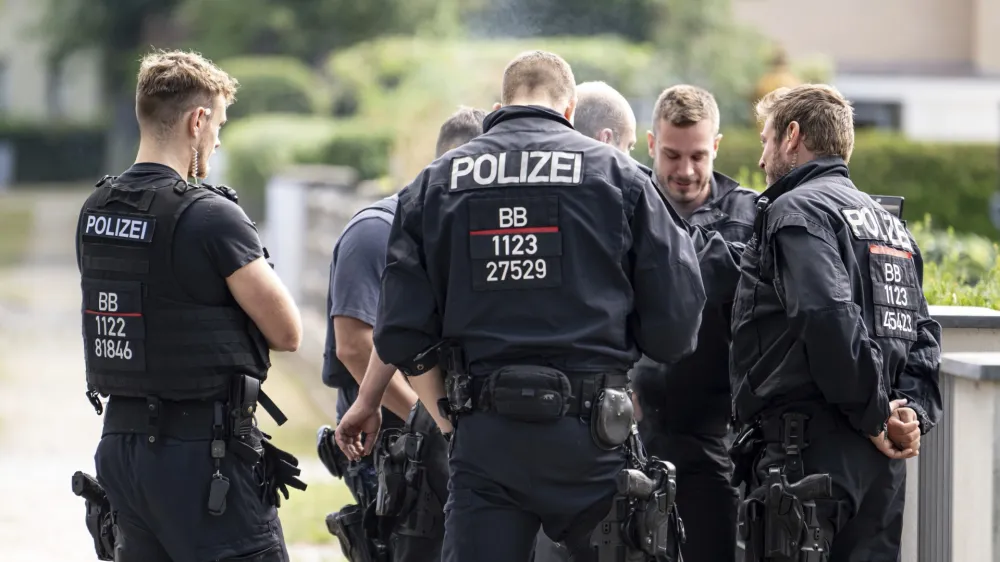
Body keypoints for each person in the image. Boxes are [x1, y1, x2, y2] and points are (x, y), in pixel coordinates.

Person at [360, 50, 707, 562]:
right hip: (592, 440)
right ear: (569, 111)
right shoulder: (619, 177)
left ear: (501, 105)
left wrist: (453, 423)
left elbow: (400, 334)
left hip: (486, 441)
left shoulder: (434, 185)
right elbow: (677, 327)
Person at [74, 49, 305, 562]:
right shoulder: (210, 215)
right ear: (197, 120)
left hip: (122, 451)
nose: (219, 140)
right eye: (219, 124)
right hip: (202, 457)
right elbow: (288, 332)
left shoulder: (96, 211)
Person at [729, 84, 942, 561]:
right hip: (880, 472)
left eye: (765, 141)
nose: (762, 161)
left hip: (806, 462)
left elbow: (825, 313)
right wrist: (909, 415)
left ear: (792, 136)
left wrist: (874, 416)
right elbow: (922, 333)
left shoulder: (796, 210)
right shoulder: (889, 224)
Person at [318, 106, 487, 562]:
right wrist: (431, 425)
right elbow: (355, 345)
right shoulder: (376, 231)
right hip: (392, 450)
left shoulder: (459, 232)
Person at [631, 84, 757, 562]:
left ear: (717, 147)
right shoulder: (624, 203)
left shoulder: (750, 215)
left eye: (698, 156)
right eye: (671, 155)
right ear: (650, 144)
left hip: (713, 436)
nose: (684, 171)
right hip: (627, 431)